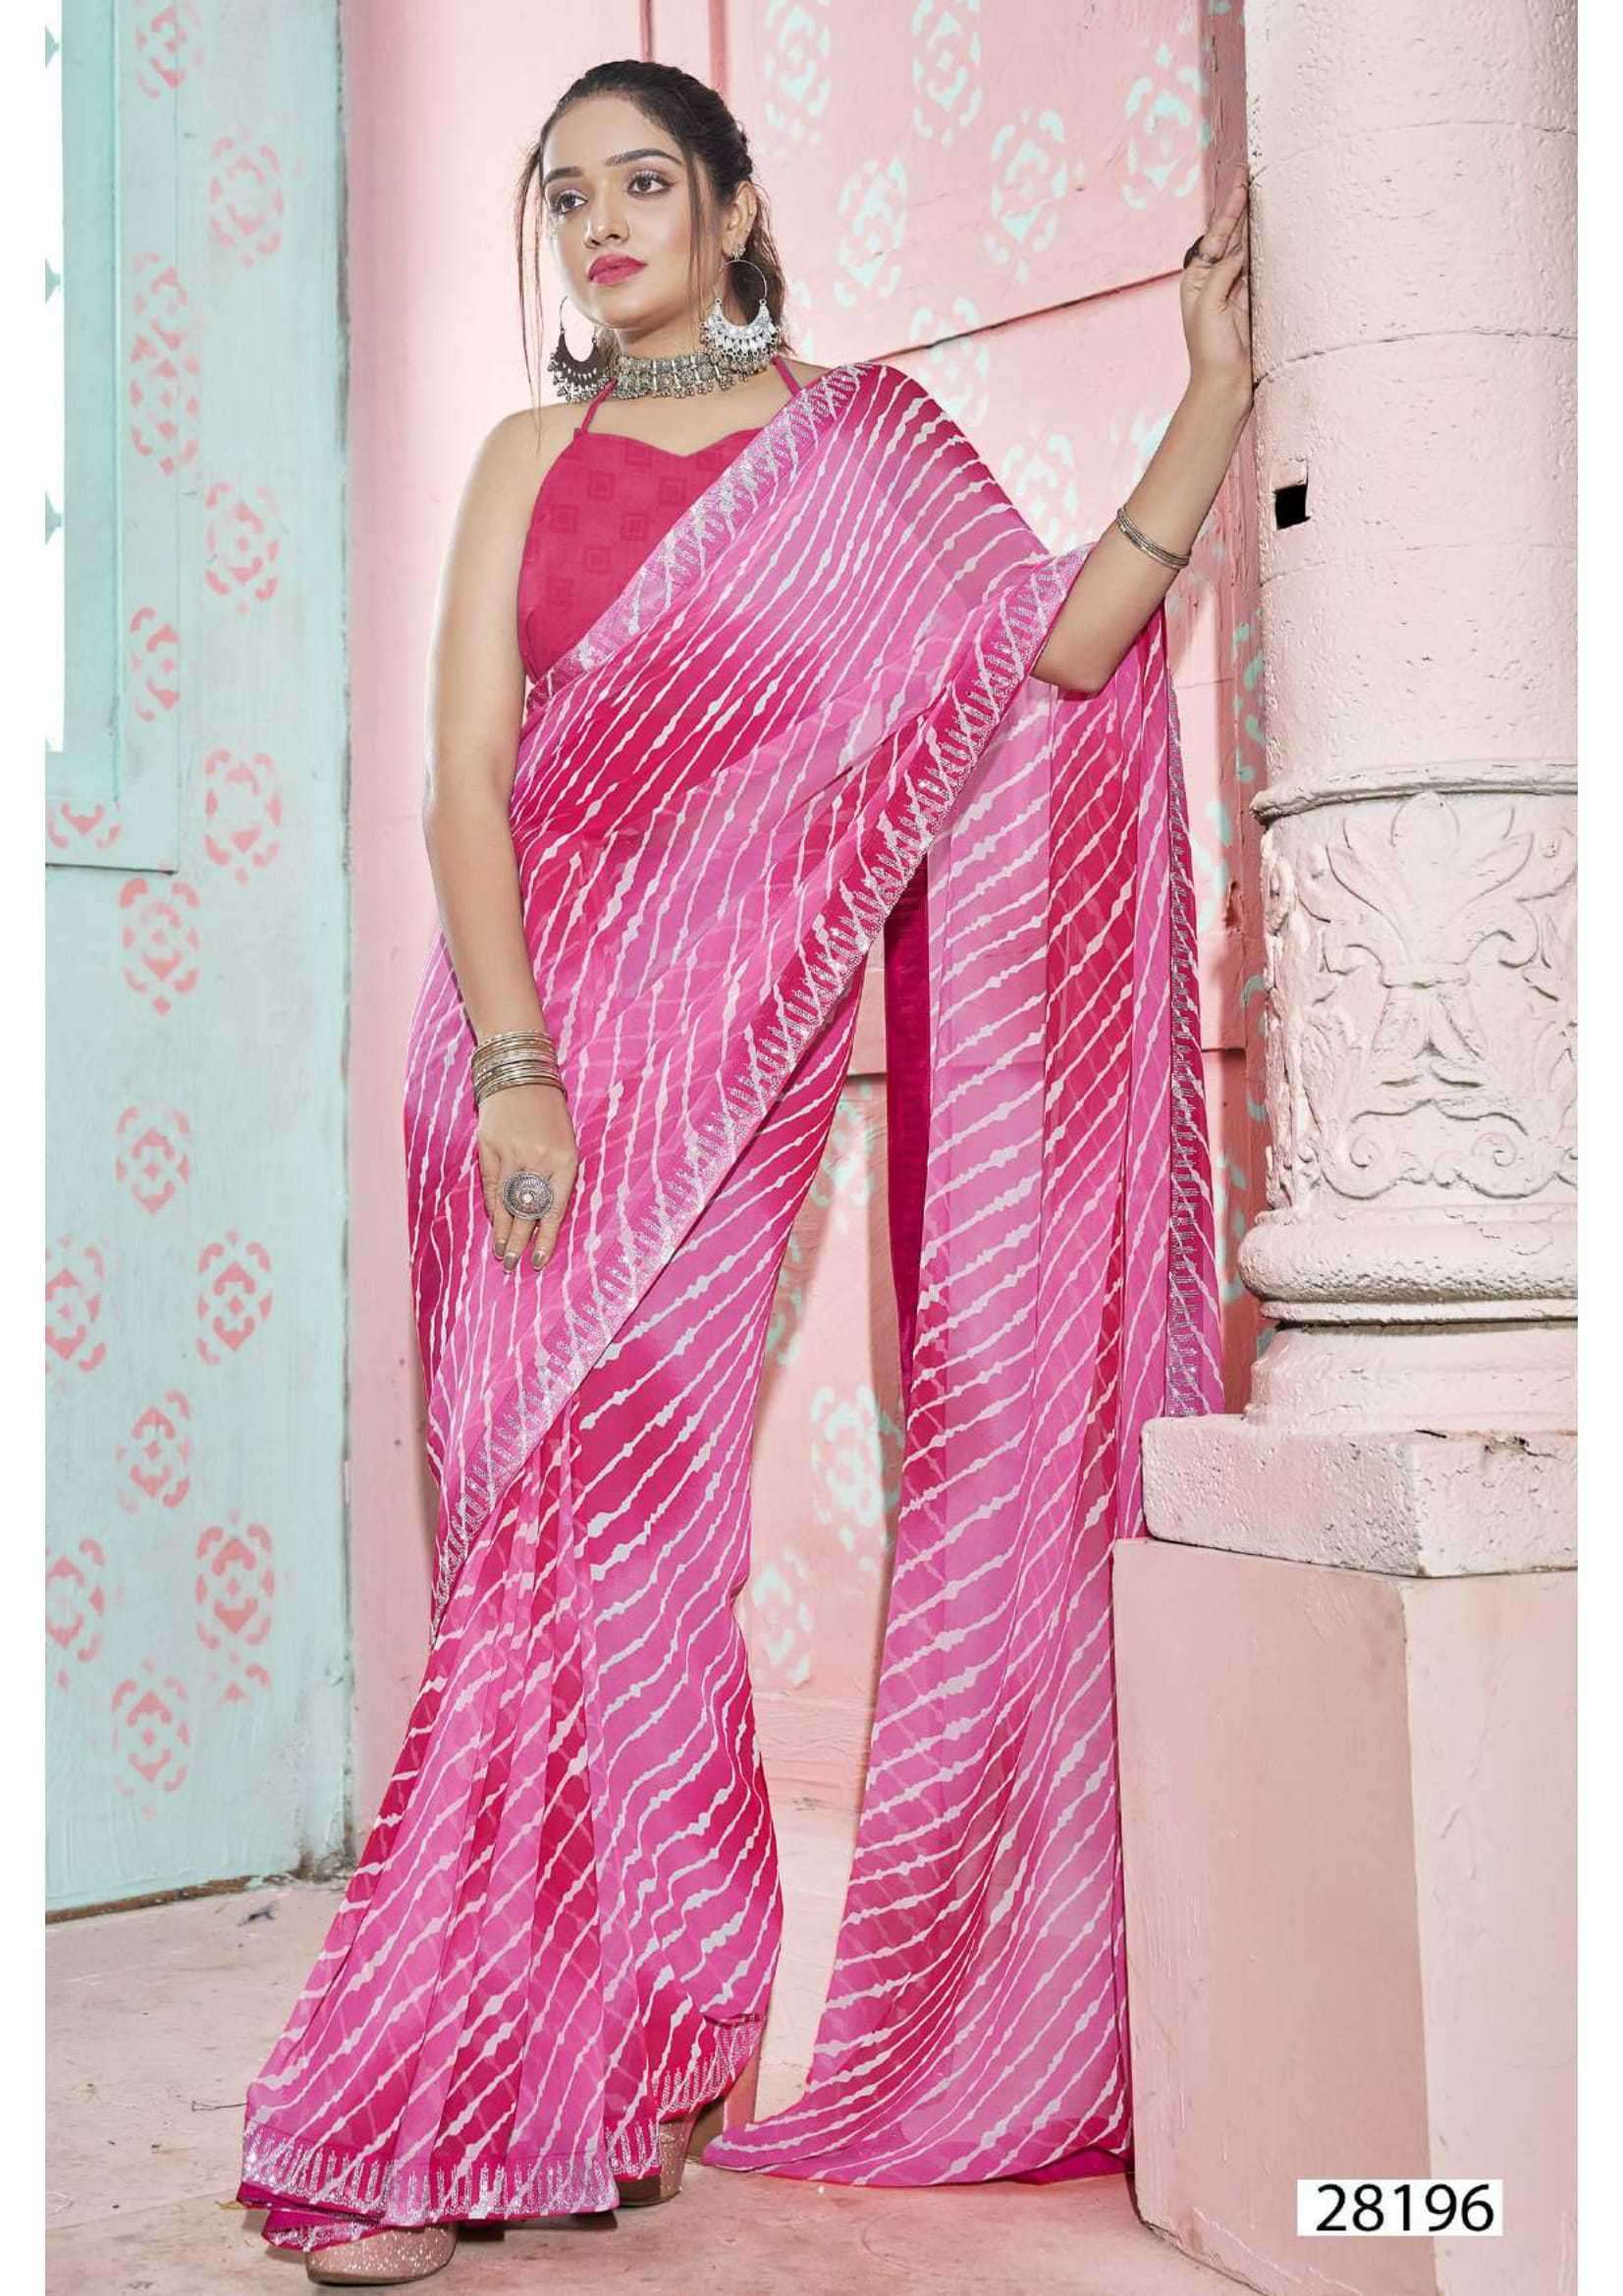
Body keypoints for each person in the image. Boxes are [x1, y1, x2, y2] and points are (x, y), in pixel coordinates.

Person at [236, 55, 1252, 2288]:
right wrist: (517, 1067)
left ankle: (642, 2038)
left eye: (640, 184)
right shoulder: (531, 458)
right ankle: (466, 2099)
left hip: (724, 1096)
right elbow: (467, 781)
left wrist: (1207, 400)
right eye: (564, 196)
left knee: (631, 1569)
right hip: (515, 1073)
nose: (600, 226)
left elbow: (1056, 655)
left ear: (729, 207)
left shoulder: (861, 462)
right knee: (531, 1565)